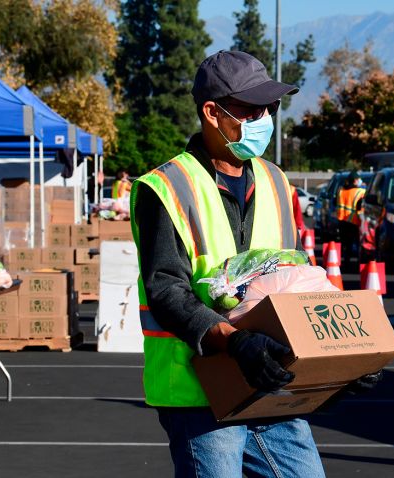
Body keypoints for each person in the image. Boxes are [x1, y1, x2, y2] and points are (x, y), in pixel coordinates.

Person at [131, 50, 341, 477]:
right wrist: (235, 341)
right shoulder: (165, 187)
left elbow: (293, 279)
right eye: (250, 109)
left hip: (268, 384)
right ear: (211, 112)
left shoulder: (276, 181)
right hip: (198, 393)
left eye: (269, 107)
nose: (264, 117)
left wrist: (336, 362)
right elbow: (166, 290)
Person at [335, 171, 366, 266]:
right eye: (358, 179)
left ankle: (346, 262)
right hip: (355, 222)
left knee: (346, 244)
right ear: (355, 181)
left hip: (342, 221)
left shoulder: (341, 191)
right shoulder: (361, 192)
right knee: (358, 243)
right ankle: (358, 262)